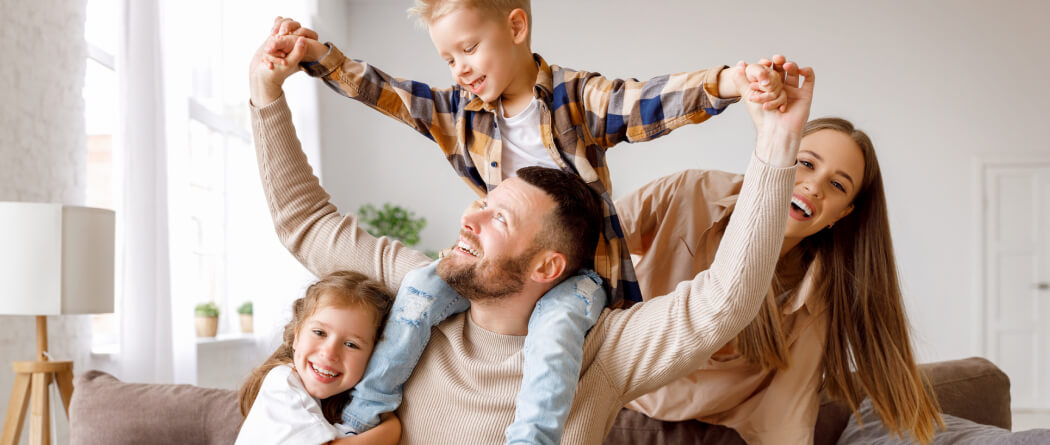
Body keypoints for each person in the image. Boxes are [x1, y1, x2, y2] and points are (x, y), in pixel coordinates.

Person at [248, 31, 813, 445]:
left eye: (500, 220)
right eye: (482, 205)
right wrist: (266, 94)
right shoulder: (419, 298)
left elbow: (725, 300)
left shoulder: (604, 352)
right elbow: (306, 223)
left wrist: (779, 144)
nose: (469, 221)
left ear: (547, 266)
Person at [615, 117, 944, 443]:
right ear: (777, 155)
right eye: (806, 164)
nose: (814, 187)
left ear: (841, 214)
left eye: (838, 185)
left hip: (711, 426)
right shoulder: (690, 193)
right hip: (615, 386)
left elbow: (789, 407)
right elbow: (584, 248)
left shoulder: (816, 293)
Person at [235, 271, 401, 445]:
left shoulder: (342, 404)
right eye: (319, 333)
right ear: (297, 336)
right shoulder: (283, 382)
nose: (329, 353)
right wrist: (392, 426)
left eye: (351, 344)